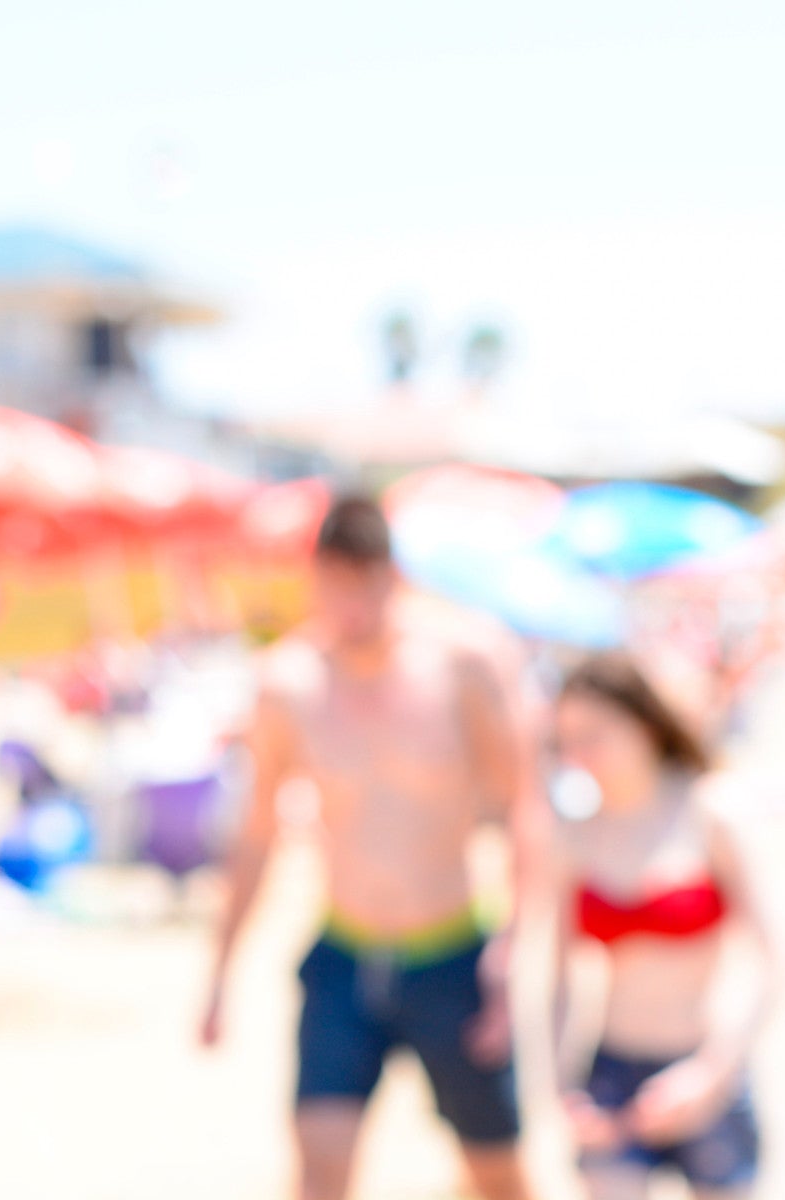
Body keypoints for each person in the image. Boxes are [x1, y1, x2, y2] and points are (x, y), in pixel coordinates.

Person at [200, 494, 538, 1200]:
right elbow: (258, 833)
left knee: (497, 1178)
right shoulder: (290, 684)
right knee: (319, 1172)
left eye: (365, 587)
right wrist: (221, 972)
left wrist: (512, 947)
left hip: (451, 951)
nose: (350, 608)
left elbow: (523, 810)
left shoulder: (464, 664)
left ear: (394, 578)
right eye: (334, 588)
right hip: (345, 954)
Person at [548, 654, 776, 1200]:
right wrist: (563, 1088)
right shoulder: (575, 835)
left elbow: (772, 961)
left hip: (705, 1064)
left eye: (593, 736)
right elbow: (556, 976)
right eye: (566, 741)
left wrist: (712, 1072)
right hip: (609, 1072)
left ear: (643, 725)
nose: (578, 757)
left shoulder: (709, 812)